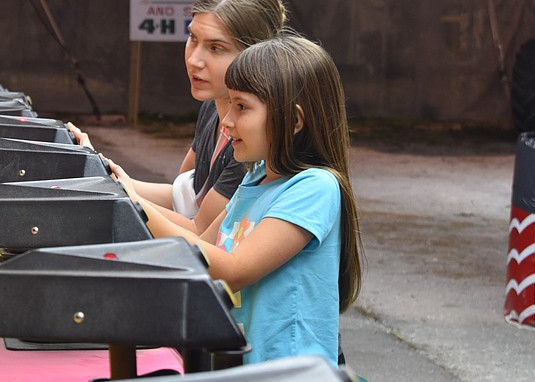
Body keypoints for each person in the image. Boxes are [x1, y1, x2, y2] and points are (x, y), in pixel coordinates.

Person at [110, 34, 364, 366]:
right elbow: (201, 243)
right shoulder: (256, 175)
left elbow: (231, 270)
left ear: (296, 121)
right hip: (244, 366)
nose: (227, 121)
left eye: (241, 106)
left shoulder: (314, 187)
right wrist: (119, 190)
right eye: (229, 103)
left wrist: (136, 208)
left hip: (287, 371)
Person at [68, 0, 287, 233]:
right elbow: (180, 197)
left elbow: (201, 232)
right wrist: (100, 171)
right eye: (192, 38)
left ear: (256, 54)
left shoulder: (254, 137)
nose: (194, 60)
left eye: (216, 48)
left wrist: (119, 191)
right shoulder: (211, 105)